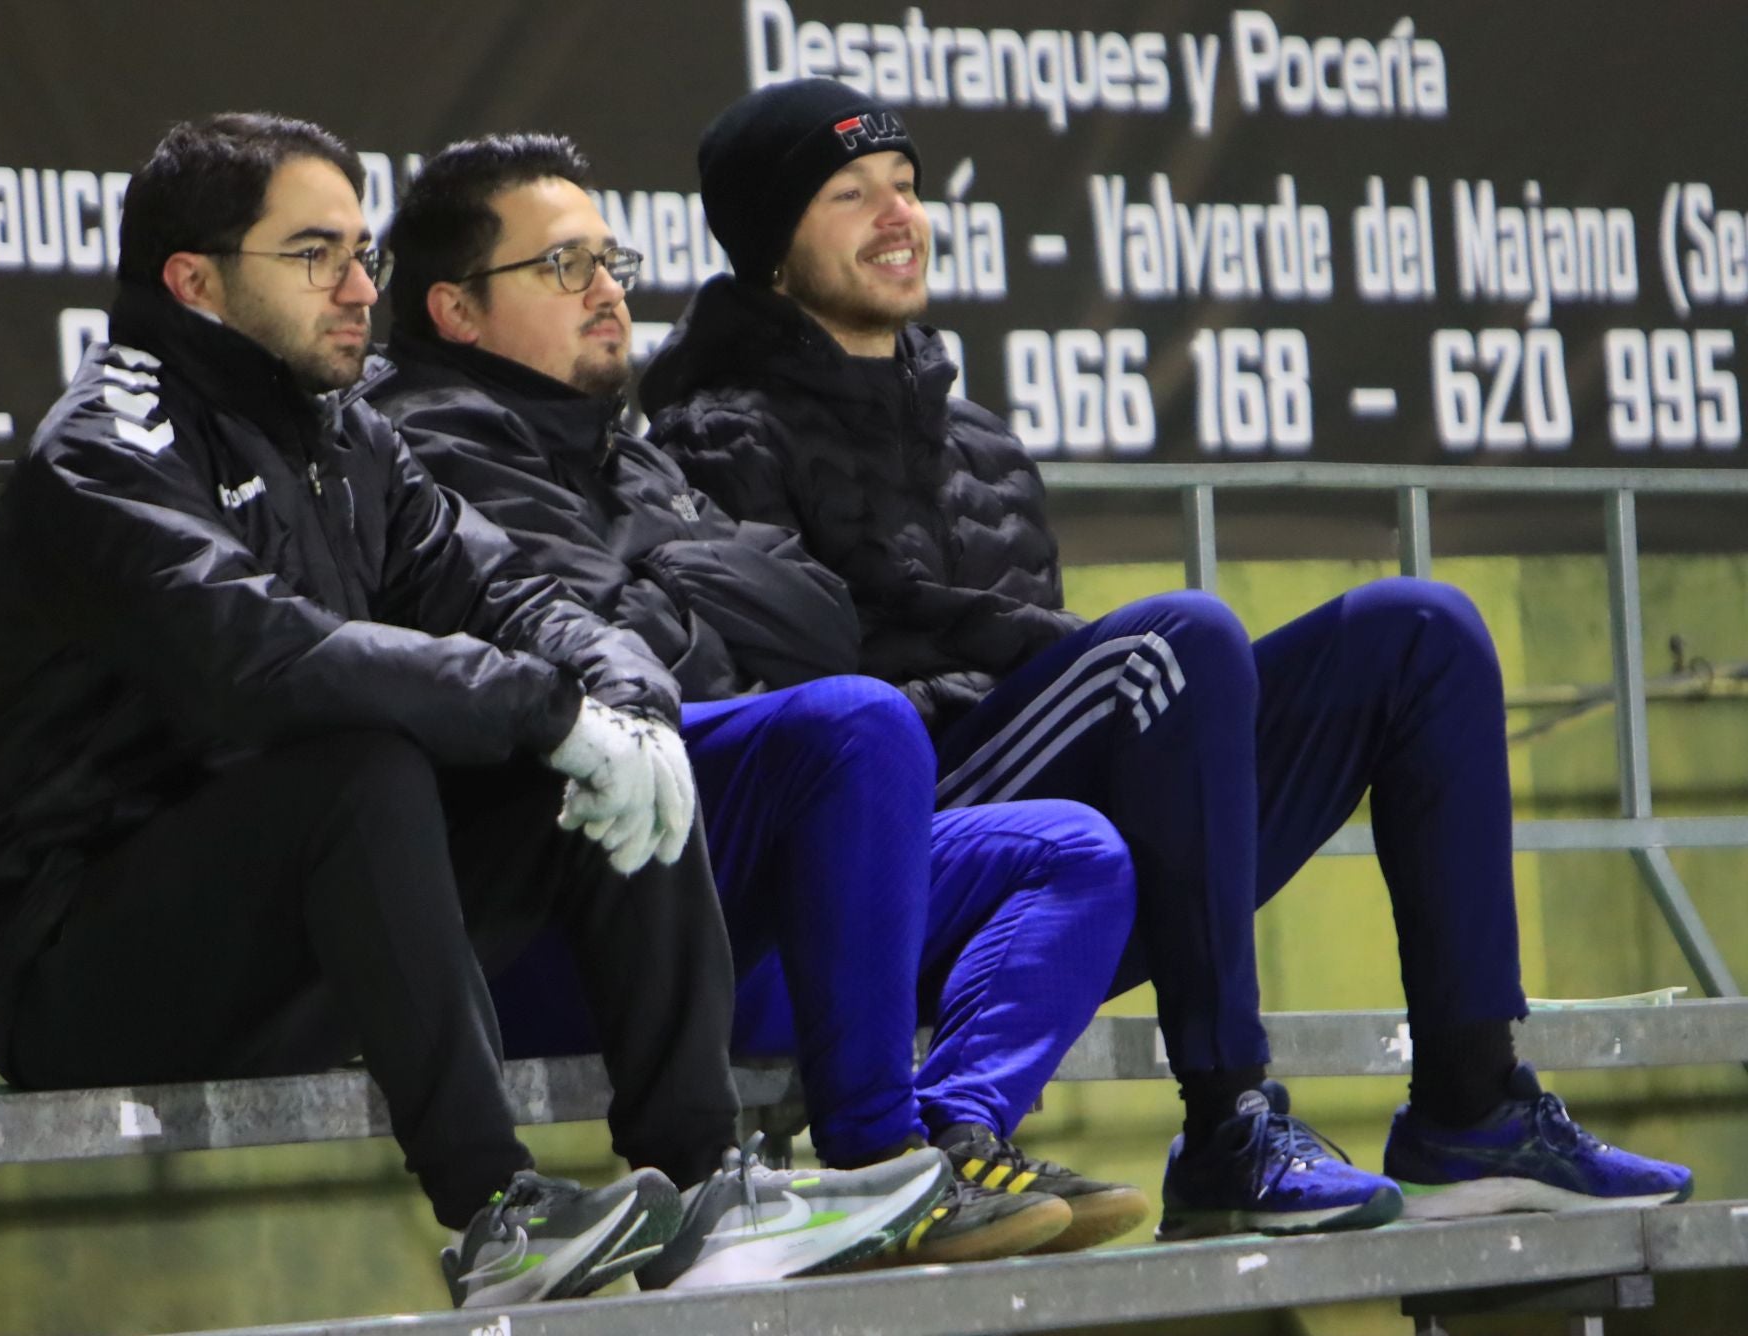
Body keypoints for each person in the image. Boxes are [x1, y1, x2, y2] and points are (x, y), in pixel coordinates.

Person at [0, 111, 953, 1310]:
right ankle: (494, 1214)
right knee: (362, 762)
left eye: (364, 252)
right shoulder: (109, 442)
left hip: (285, 929)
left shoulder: (349, 438)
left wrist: (619, 700)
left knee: (608, 756)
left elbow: (511, 590)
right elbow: (262, 659)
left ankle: (703, 1182)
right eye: (315, 254)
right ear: (195, 281)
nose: (361, 286)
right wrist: (541, 704)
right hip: (72, 962)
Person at [639, 79, 1695, 1240]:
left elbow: (1049, 678)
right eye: (848, 196)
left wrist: (1058, 687)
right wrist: (1039, 681)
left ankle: (1471, 1099)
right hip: (902, 864)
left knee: (1420, 633)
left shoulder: (979, 441)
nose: (897, 217)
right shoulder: (712, 433)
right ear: (769, 255)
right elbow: (794, 703)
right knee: (1180, 643)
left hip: (1070, 865)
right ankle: (1228, 1116)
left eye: (905, 186)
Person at [365, 132, 1149, 1262]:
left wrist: (662, 577)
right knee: (860, 724)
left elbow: (820, 620)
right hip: (554, 923)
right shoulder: (429, 446)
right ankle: (881, 1164)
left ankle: (954, 1135)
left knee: (1071, 849)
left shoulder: (628, 457)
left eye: (611, 261)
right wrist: (696, 590)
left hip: (711, 910)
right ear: (455, 310)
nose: (607, 293)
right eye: (562, 267)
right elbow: (626, 661)